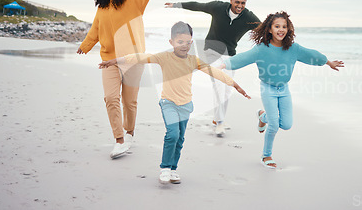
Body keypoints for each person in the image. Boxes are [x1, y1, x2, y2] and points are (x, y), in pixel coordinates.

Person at [99, 21, 250, 184]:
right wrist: (116, 61)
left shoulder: (194, 60)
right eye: (180, 42)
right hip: (168, 103)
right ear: (171, 42)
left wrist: (234, 84)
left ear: (191, 42)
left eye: (187, 42)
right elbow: (140, 57)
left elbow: (213, 72)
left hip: (185, 105)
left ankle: (173, 169)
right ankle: (164, 168)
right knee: (172, 134)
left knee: (180, 139)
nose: (184, 46)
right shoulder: (164, 57)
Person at [77, 0, 170, 159]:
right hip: (109, 60)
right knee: (110, 98)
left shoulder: (134, 0)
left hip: (133, 60)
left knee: (129, 102)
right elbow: (95, 30)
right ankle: (119, 139)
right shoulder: (102, 7)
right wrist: (86, 44)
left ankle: (129, 133)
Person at [220, 11, 344, 169]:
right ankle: (266, 155)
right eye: (277, 26)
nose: (281, 29)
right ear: (270, 29)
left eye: (284, 26)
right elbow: (243, 58)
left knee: (286, 124)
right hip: (267, 88)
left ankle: (262, 116)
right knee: (274, 125)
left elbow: (310, 55)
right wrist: (223, 65)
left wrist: (328, 62)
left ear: (288, 29)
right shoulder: (261, 49)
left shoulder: (293, 48)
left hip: (284, 89)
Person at [165, 0, 261, 136]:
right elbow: (198, 6)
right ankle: (220, 123)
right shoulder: (218, 7)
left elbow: (265, 29)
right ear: (231, 0)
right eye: (237, 2)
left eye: (243, 3)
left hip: (230, 56)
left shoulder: (248, 17)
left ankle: (218, 119)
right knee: (219, 85)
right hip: (211, 52)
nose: (240, 5)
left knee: (228, 89)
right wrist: (177, 5)